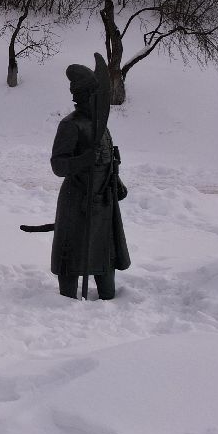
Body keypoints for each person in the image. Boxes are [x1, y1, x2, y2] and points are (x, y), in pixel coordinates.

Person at [49, 62, 129, 299]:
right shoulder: (70, 125)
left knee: (105, 253)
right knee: (73, 253)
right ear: (84, 96)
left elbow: (109, 159)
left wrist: (117, 181)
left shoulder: (101, 126)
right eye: (96, 95)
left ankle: (107, 296)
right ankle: (67, 300)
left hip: (103, 200)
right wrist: (84, 159)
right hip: (78, 201)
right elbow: (58, 165)